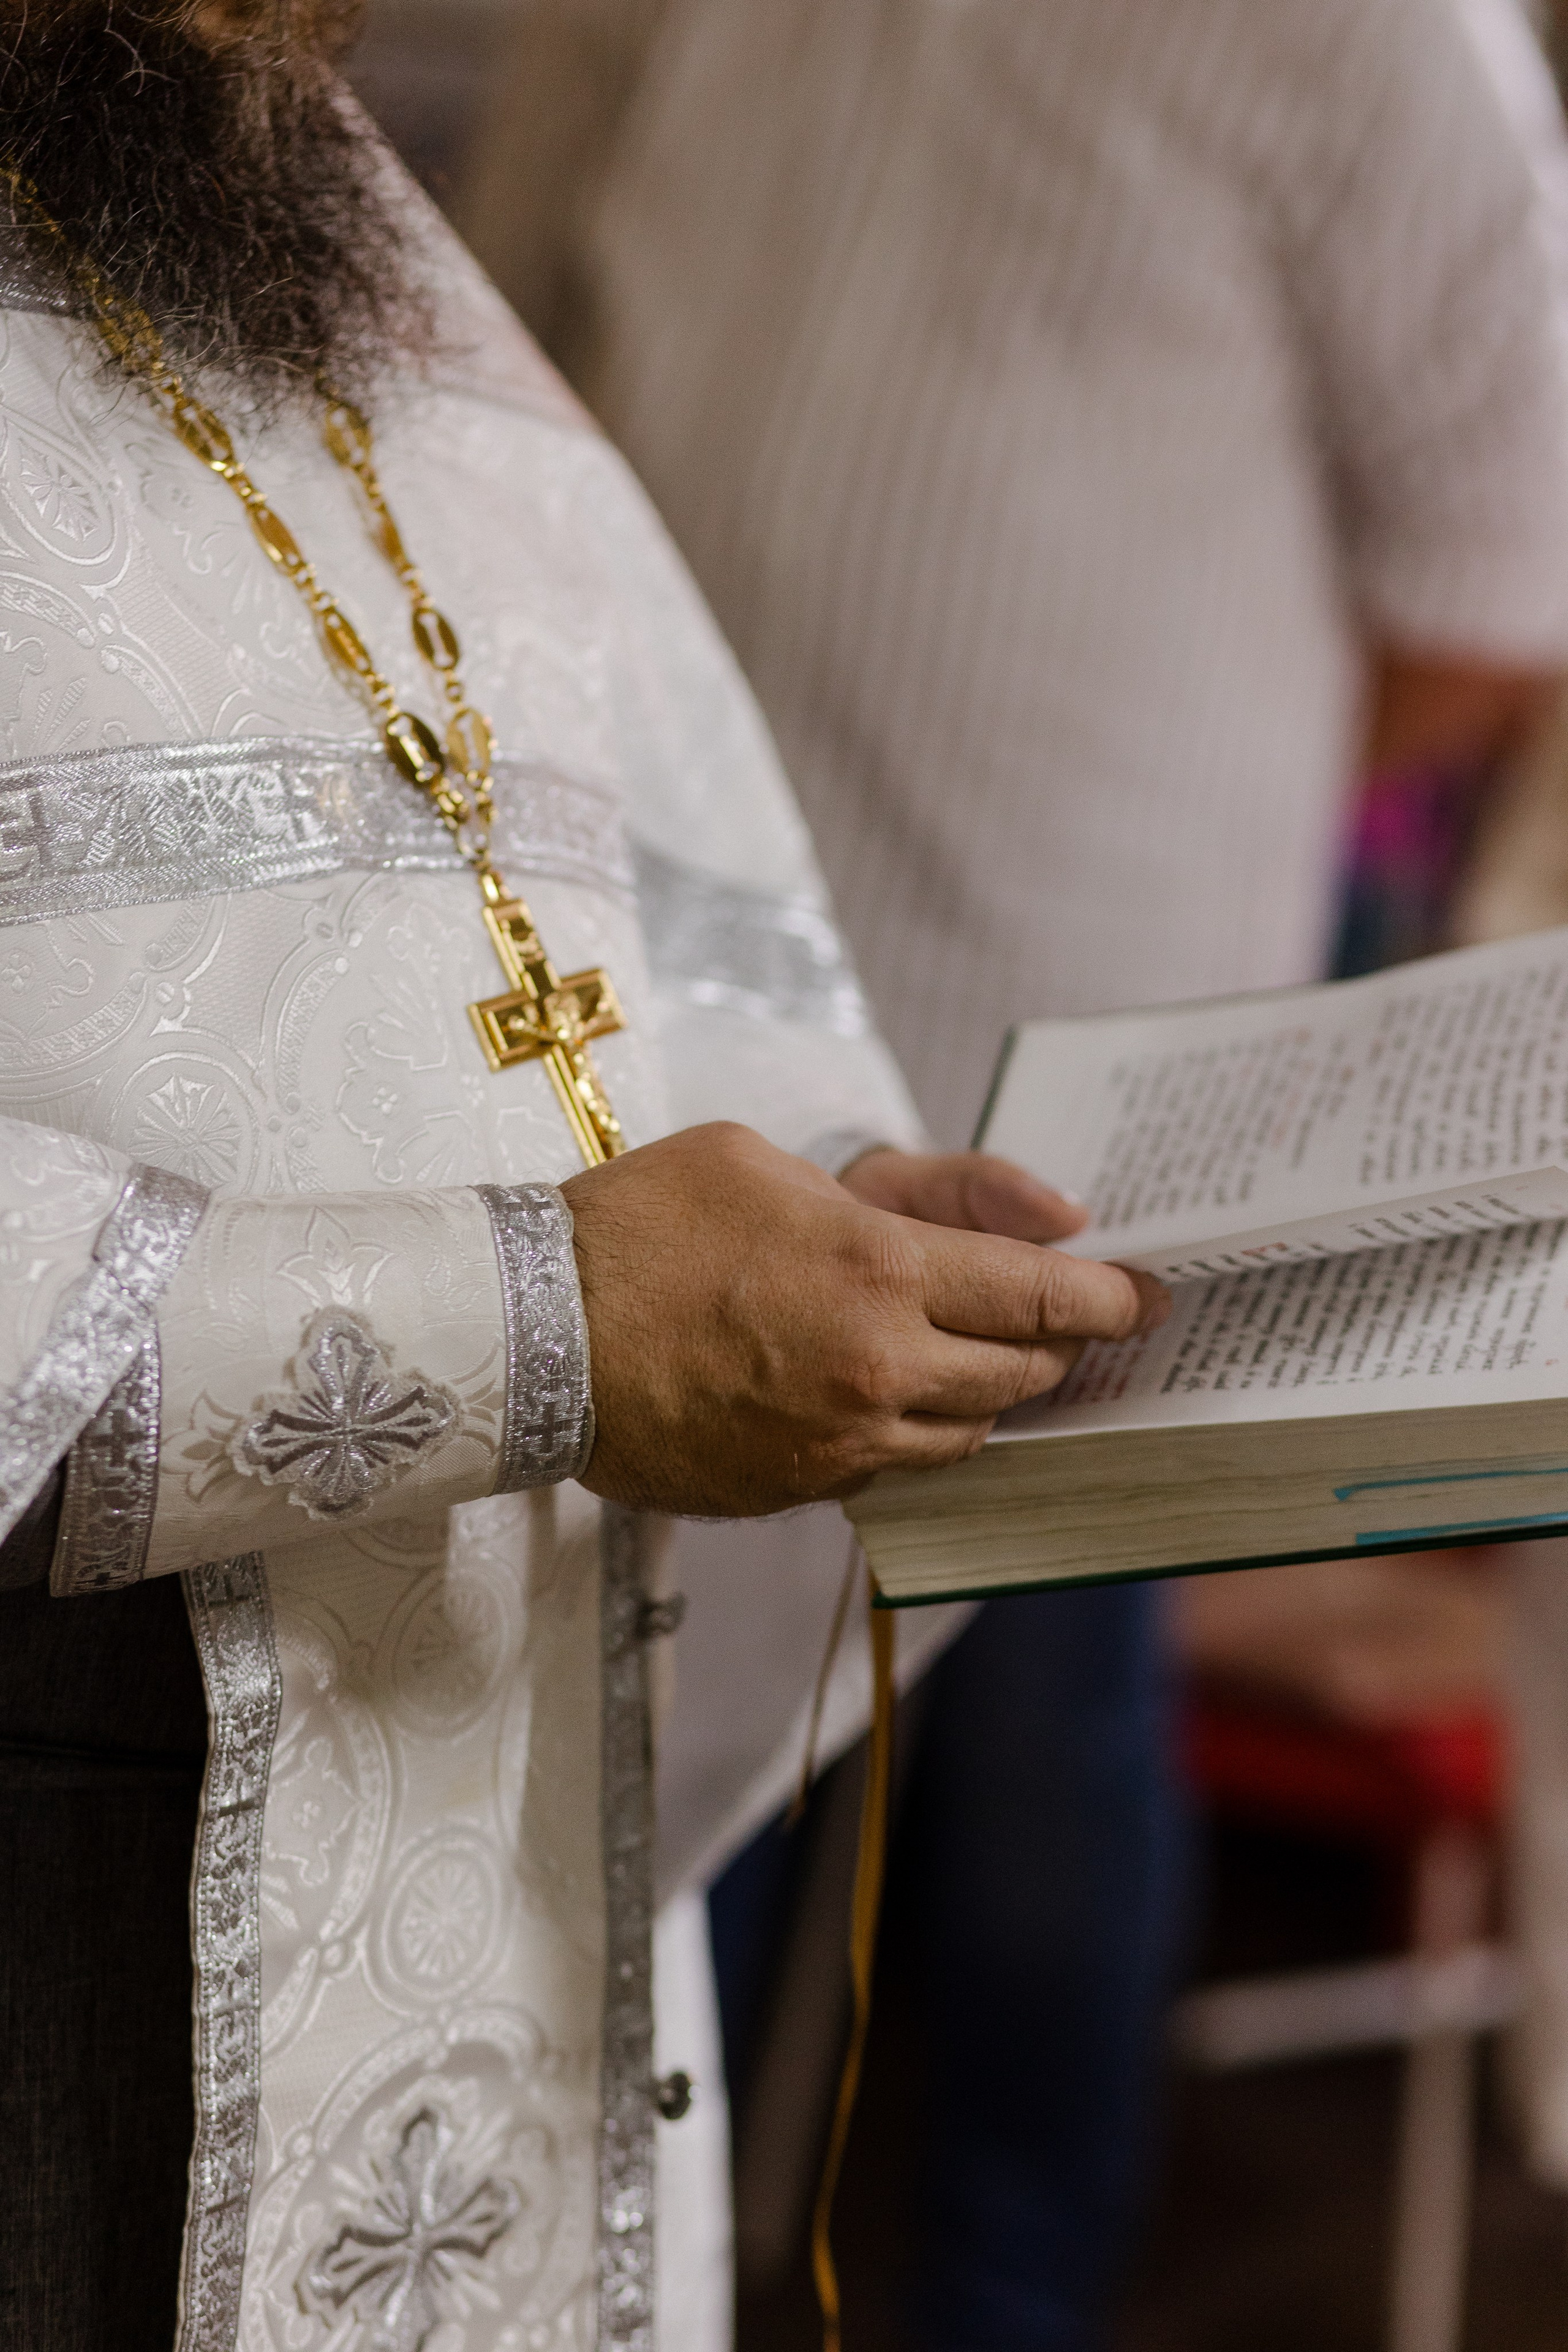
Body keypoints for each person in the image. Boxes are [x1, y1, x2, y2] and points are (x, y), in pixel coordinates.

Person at [0, 5, 1174, 2348]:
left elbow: (612, 914)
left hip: (506, 1779)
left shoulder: (326, 223)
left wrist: (842, 1205)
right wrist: (533, 1326)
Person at [460, 1, 1568, 2340]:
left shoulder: (1385, 39)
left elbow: (1502, 577)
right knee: (636, 1728)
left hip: (1096, 1075)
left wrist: (1179, 804)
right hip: (653, 1028)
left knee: (1036, 1739)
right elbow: (507, 344)